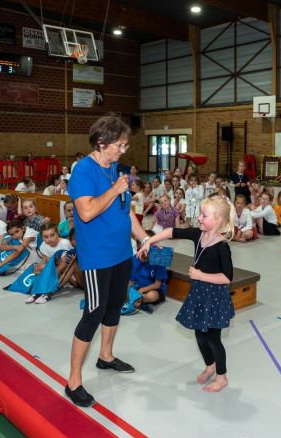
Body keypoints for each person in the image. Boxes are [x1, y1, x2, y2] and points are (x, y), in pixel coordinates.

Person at [65, 116, 147, 408]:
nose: (123, 151)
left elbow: (124, 213)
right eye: (119, 145)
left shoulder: (113, 168)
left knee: (115, 306)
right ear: (102, 143)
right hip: (97, 258)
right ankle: (73, 381)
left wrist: (143, 237)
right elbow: (86, 213)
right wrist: (115, 190)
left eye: (125, 145)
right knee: (93, 313)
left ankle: (106, 356)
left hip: (121, 253)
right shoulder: (83, 172)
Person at [138, 196, 235, 393]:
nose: (198, 218)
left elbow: (227, 277)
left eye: (204, 215)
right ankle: (210, 365)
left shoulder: (222, 246)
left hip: (214, 295)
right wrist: (149, 241)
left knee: (213, 338)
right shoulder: (198, 234)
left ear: (218, 220)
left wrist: (201, 275)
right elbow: (171, 231)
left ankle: (222, 376)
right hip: (199, 292)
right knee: (199, 334)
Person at [129, 236, 168, 313]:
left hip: (154, 290)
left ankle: (140, 301)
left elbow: (157, 285)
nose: (148, 248)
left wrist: (142, 290)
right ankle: (139, 303)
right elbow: (130, 281)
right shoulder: (133, 259)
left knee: (153, 295)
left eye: (151, 245)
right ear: (138, 245)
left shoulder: (158, 261)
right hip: (137, 288)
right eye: (146, 244)